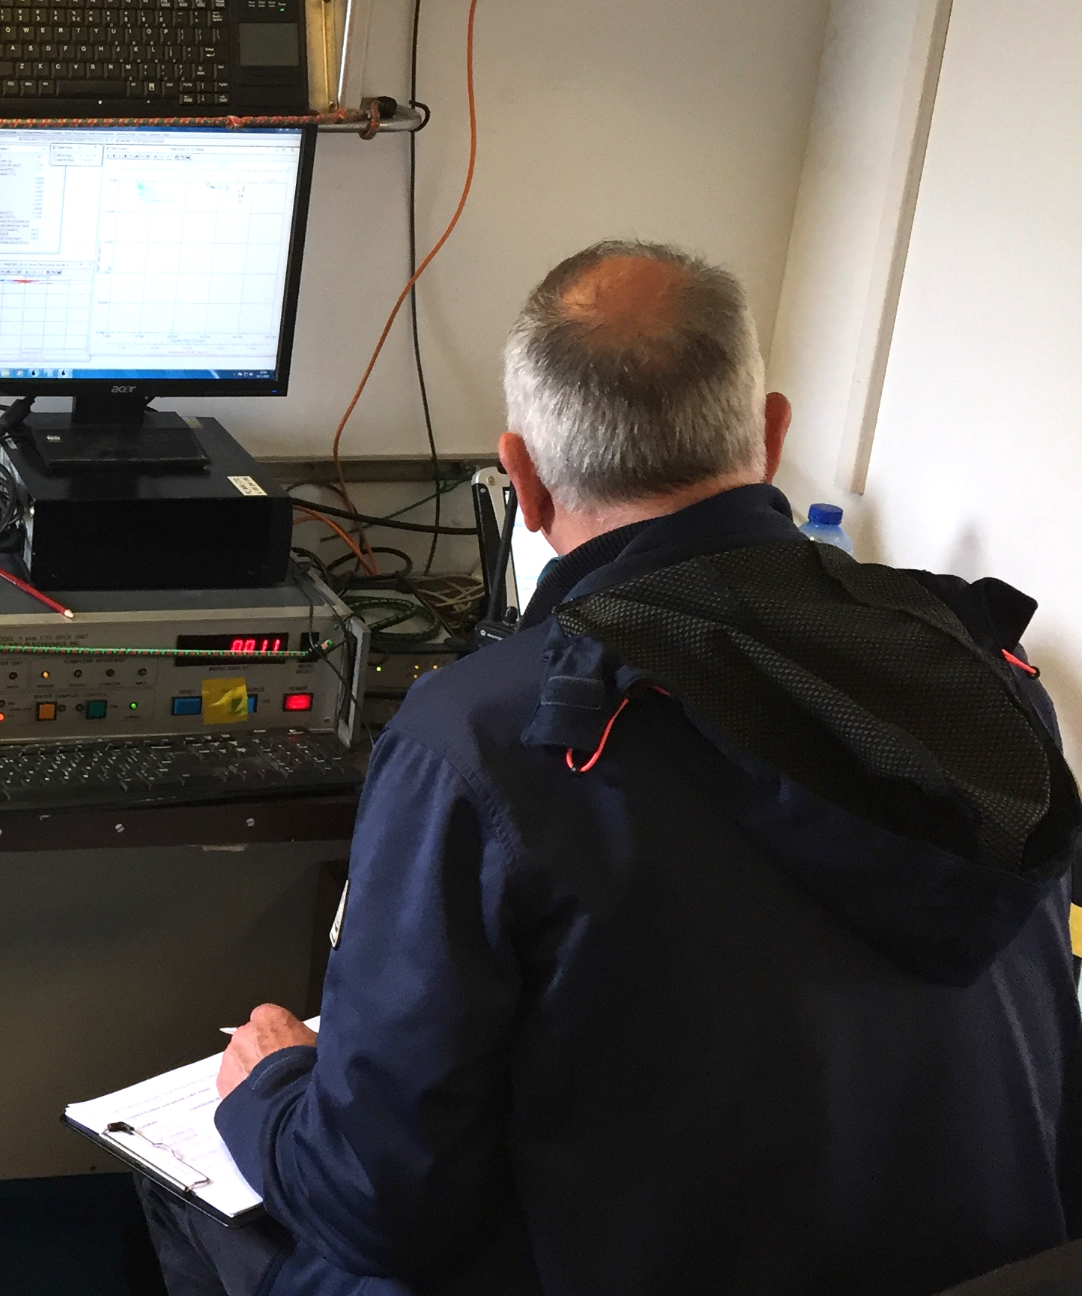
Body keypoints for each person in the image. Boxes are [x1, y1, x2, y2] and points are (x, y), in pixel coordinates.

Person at [138, 240, 1082, 1296]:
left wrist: (268, 1089)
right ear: (770, 433)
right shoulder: (983, 673)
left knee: (223, 1197)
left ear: (525, 480)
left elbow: (379, 1202)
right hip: (989, 1265)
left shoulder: (478, 742)